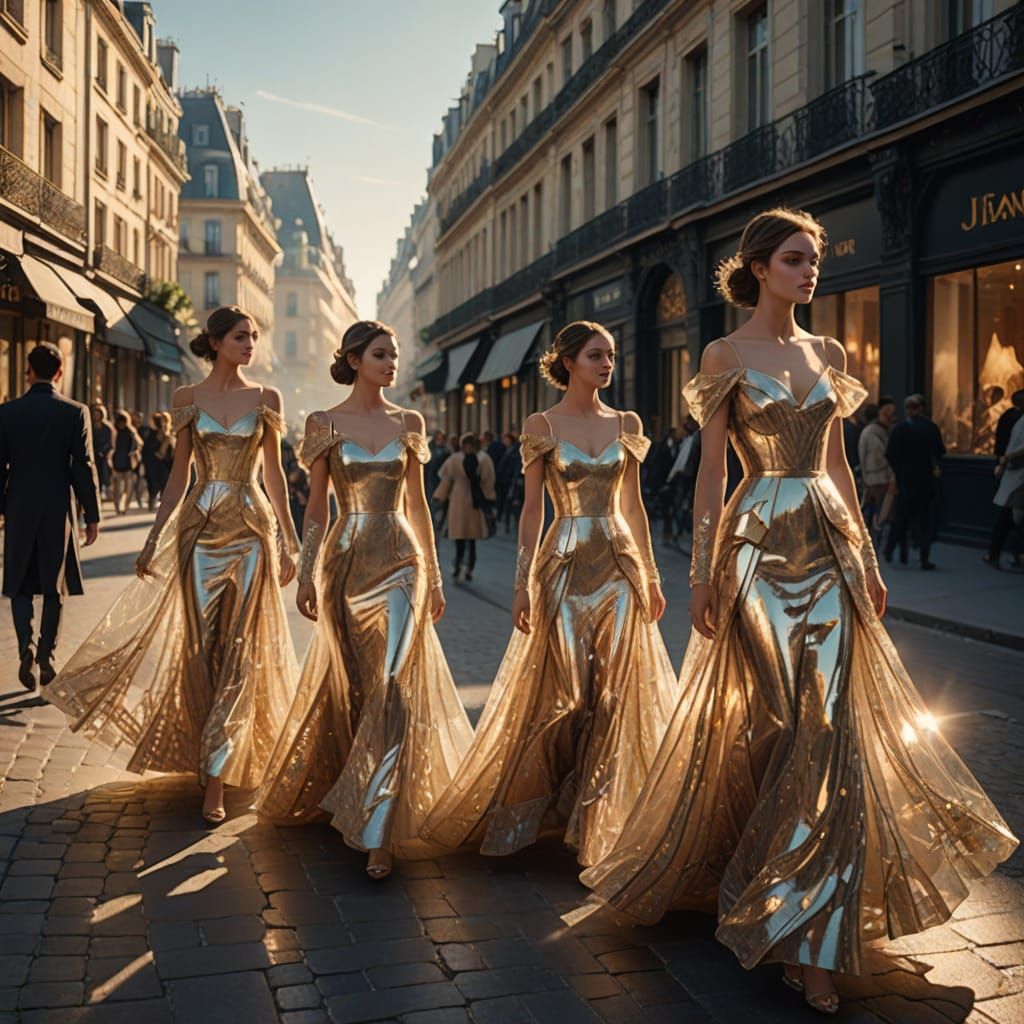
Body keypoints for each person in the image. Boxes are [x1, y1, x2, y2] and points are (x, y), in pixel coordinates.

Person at [579, 208, 1017, 1016]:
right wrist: (702, 575)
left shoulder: (831, 353)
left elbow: (839, 465)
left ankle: (810, 935)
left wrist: (868, 558)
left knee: (830, 726)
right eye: (794, 258)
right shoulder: (724, 353)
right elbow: (712, 472)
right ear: (758, 268)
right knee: (786, 722)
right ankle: (769, 885)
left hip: (828, 544)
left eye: (813, 259)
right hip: (756, 548)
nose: (810, 270)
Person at [421, 321, 678, 868]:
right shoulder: (542, 424)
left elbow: (633, 506)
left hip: (620, 565)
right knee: (569, 692)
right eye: (595, 355)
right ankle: (550, 805)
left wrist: (652, 576)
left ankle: (597, 821)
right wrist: (521, 585)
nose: (606, 364)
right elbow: (532, 511)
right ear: (568, 362)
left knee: (615, 693)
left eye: (611, 355)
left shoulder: (627, 422)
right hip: (562, 565)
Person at [43, 306, 300, 825]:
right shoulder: (186, 399)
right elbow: (179, 476)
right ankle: (203, 752)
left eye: (253, 336)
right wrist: (153, 537)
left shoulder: (266, 399)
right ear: (215, 342)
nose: (250, 344)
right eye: (240, 336)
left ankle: (217, 776)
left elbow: (274, 474)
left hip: (251, 531)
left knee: (240, 651)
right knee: (199, 650)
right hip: (198, 532)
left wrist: (290, 538)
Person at [258, 320, 472, 880]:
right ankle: (351, 791)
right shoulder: (323, 423)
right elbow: (316, 507)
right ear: (354, 360)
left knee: (394, 686)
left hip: (402, 561)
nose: (391, 362)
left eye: (394, 354)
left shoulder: (410, 422)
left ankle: (379, 830)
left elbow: (418, 504)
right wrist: (307, 573)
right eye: (381, 354)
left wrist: (436, 577)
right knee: (354, 688)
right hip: (345, 563)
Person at [0, 343, 101, 689]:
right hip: (58, 507)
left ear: (28, 372)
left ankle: (25, 648)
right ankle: (46, 655)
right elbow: (83, 466)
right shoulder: (75, 412)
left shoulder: (7, 413)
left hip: (19, 506)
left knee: (19, 584)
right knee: (54, 586)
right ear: (59, 373)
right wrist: (92, 514)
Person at [884, 394, 945, 570]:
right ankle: (924, 558)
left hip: (905, 480)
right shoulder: (931, 428)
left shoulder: (899, 429)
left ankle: (889, 550)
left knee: (901, 518)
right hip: (925, 479)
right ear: (922, 408)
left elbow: (890, 454)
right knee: (925, 521)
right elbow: (939, 451)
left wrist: (899, 471)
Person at [434, 432, 496, 582]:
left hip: (458, 498)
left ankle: (459, 564)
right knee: (471, 538)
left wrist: (439, 496)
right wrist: (489, 497)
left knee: (460, 536)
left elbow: (446, 479)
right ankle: (469, 567)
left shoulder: (454, 459)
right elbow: (489, 480)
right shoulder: (483, 459)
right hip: (474, 500)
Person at [984, 389, 1024, 569]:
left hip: (1012, 472)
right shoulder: (1018, 420)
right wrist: (1006, 458)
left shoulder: (1009, 417)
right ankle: (1015, 554)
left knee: (1009, 516)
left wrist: (1002, 460)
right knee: (1013, 516)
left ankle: (997, 553)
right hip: (1017, 474)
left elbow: (1001, 444)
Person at [856, 396, 896, 542]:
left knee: (875, 511)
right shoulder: (873, 433)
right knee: (878, 513)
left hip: (876, 478)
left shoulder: (875, 432)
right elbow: (878, 456)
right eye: (887, 414)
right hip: (877, 478)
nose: (890, 418)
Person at [110, 409, 142, 515]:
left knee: (128, 487)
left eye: (123, 421)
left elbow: (139, 444)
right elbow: (110, 445)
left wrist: (134, 452)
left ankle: (125, 507)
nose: (121, 424)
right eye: (119, 421)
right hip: (116, 461)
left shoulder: (131, 431)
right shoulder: (114, 431)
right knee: (117, 487)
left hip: (128, 462)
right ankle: (117, 508)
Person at [141, 411, 174, 509]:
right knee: (153, 485)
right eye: (160, 420)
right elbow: (147, 449)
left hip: (165, 464)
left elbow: (166, 452)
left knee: (164, 484)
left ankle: (162, 505)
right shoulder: (151, 433)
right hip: (153, 463)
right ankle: (153, 503)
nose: (162, 422)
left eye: (164, 420)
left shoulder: (170, 434)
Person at [495, 429, 523, 533]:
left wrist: (515, 479)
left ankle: (515, 524)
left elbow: (516, 466)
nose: (504, 441)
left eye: (505, 439)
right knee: (510, 503)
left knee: (512, 502)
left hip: (512, 481)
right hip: (508, 480)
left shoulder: (515, 450)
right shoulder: (508, 449)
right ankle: (510, 524)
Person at [90, 403, 113, 501]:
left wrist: (103, 451)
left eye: (98, 414)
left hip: (103, 456)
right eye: (94, 414)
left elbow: (109, 443)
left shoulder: (107, 428)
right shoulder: (89, 426)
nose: (96, 416)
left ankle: (101, 494)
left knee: (102, 475)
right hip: (91, 455)